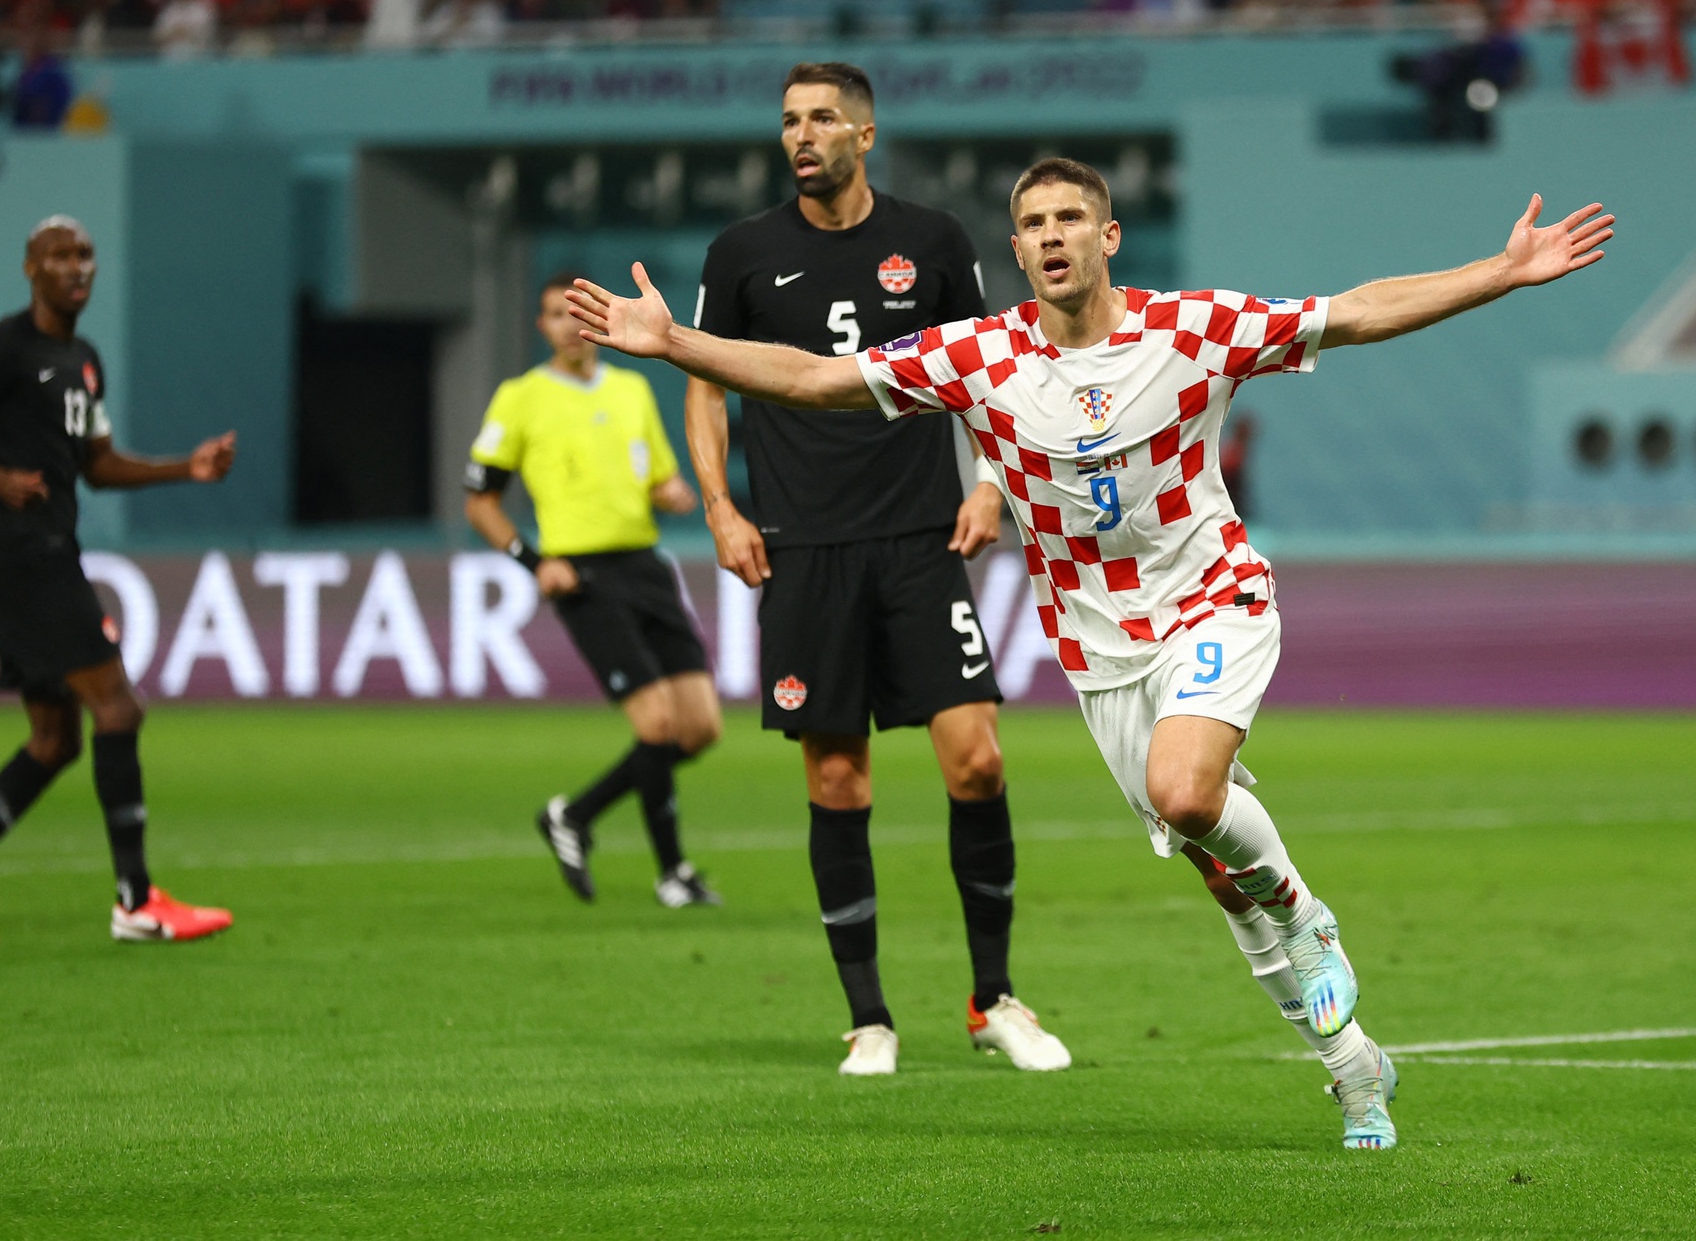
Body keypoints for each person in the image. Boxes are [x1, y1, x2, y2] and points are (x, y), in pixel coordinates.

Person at [567, 160, 1613, 1149]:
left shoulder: (1193, 330)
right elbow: (805, 377)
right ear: (1016, 254)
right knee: (1209, 865)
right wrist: (675, 346)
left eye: (1069, 218)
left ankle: (1306, 914)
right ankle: (1351, 1068)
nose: (1050, 236)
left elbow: (1351, 312)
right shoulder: (976, 357)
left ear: (1107, 236)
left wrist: (1499, 274)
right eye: (1030, 225)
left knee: (1188, 793)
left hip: (1211, 598)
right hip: (1100, 652)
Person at [683, 61, 1070, 1078]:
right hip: (802, 549)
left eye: (818, 120)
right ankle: (868, 1017)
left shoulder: (931, 241)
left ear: (862, 132)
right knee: (838, 777)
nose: (798, 136)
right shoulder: (741, 254)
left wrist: (989, 482)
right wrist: (720, 507)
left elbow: (991, 368)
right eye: (786, 122)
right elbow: (707, 386)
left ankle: (994, 999)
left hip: (918, 539)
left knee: (976, 759)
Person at [0, 216, 240, 946]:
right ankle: (136, 901)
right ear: (30, 267)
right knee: (118, 710)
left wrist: (187, 466)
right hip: (27, 551)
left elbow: (98, 466)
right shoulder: (1, 348)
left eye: (84, 254)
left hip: (47, 546)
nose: (76, 266)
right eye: (60, 255)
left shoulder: (82, 358)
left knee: (55, 739)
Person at [464, 271, 722, 909]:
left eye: (578, 315)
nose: (569, 327)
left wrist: (672, 493)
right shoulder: (521, 397)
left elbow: (658, 474)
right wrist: (532, 560)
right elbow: (480, 500)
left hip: (646, 567)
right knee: (657, 724)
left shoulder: (632, 389)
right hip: (583, 574)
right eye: (555, 315)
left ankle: (572, 815)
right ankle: (673, 873)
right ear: (541, 327)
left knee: (699, 728)